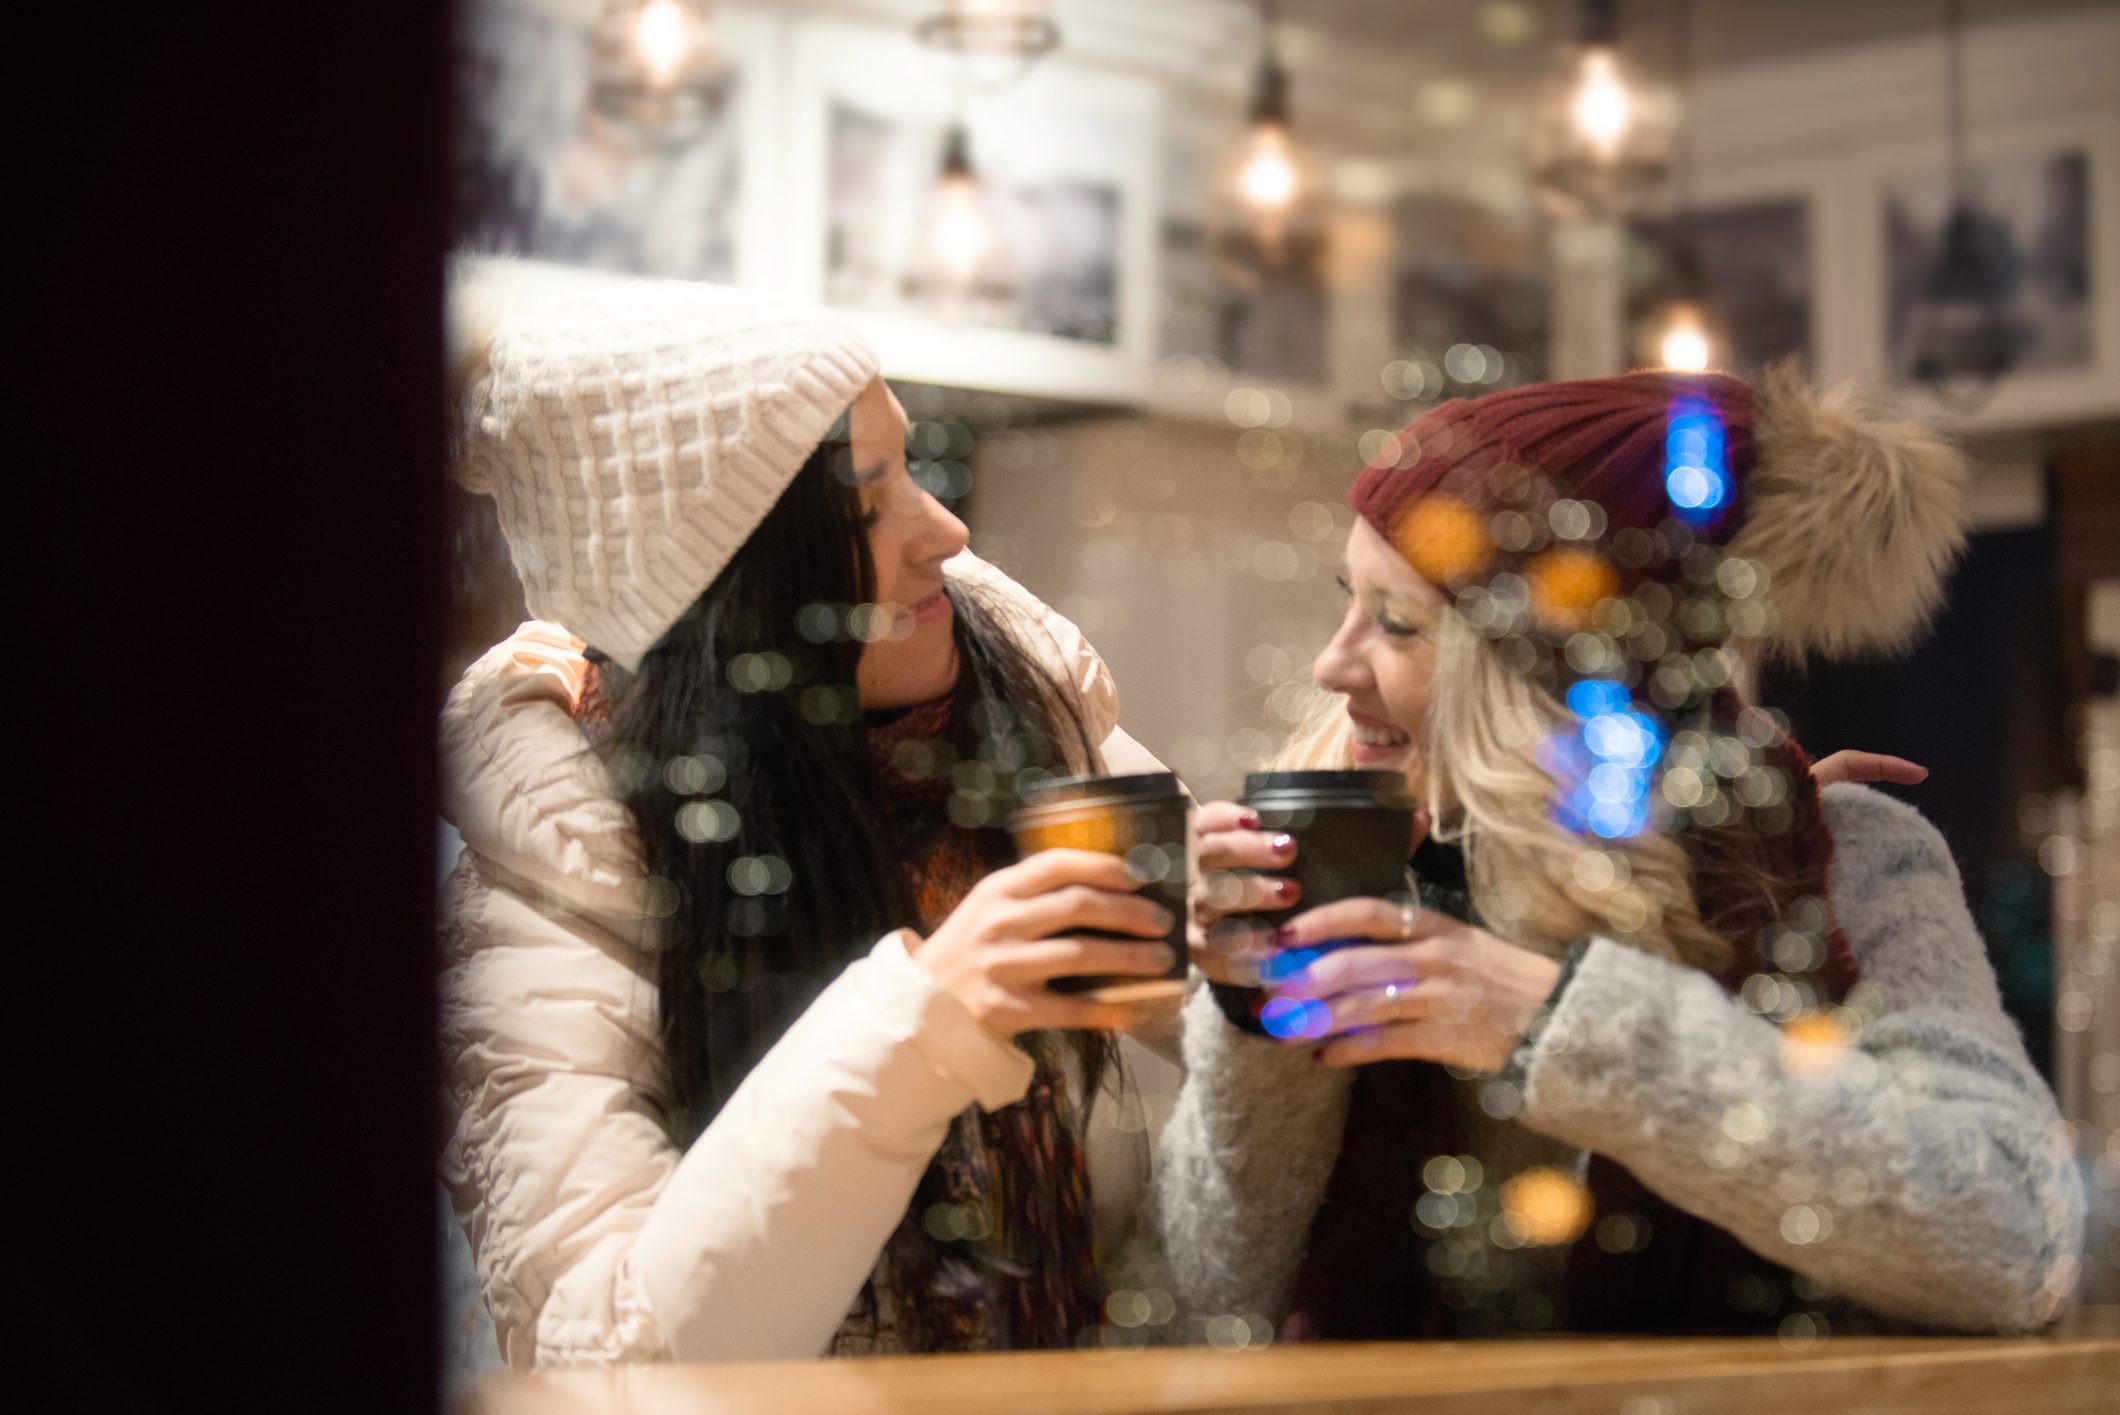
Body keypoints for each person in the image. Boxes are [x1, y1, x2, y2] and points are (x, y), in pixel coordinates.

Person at [1159, 369, 2086, 1340]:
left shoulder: (1836, 861)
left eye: (1396, 622)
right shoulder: (1347, 855)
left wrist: (1552, 1021)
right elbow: (1213, 1301)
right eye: (1347, 602)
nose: (1329, 663)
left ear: (1554, 675)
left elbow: (2016, 1243)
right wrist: (1254, 1028)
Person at [437, 258, 1178, 1366]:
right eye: (864, 502)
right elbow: (605, 1360)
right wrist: (921, 1023)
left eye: (913, 471)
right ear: (736, 600)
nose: (944, 532)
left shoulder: (1024, 733)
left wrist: (1280, 976)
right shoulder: (548, 884)